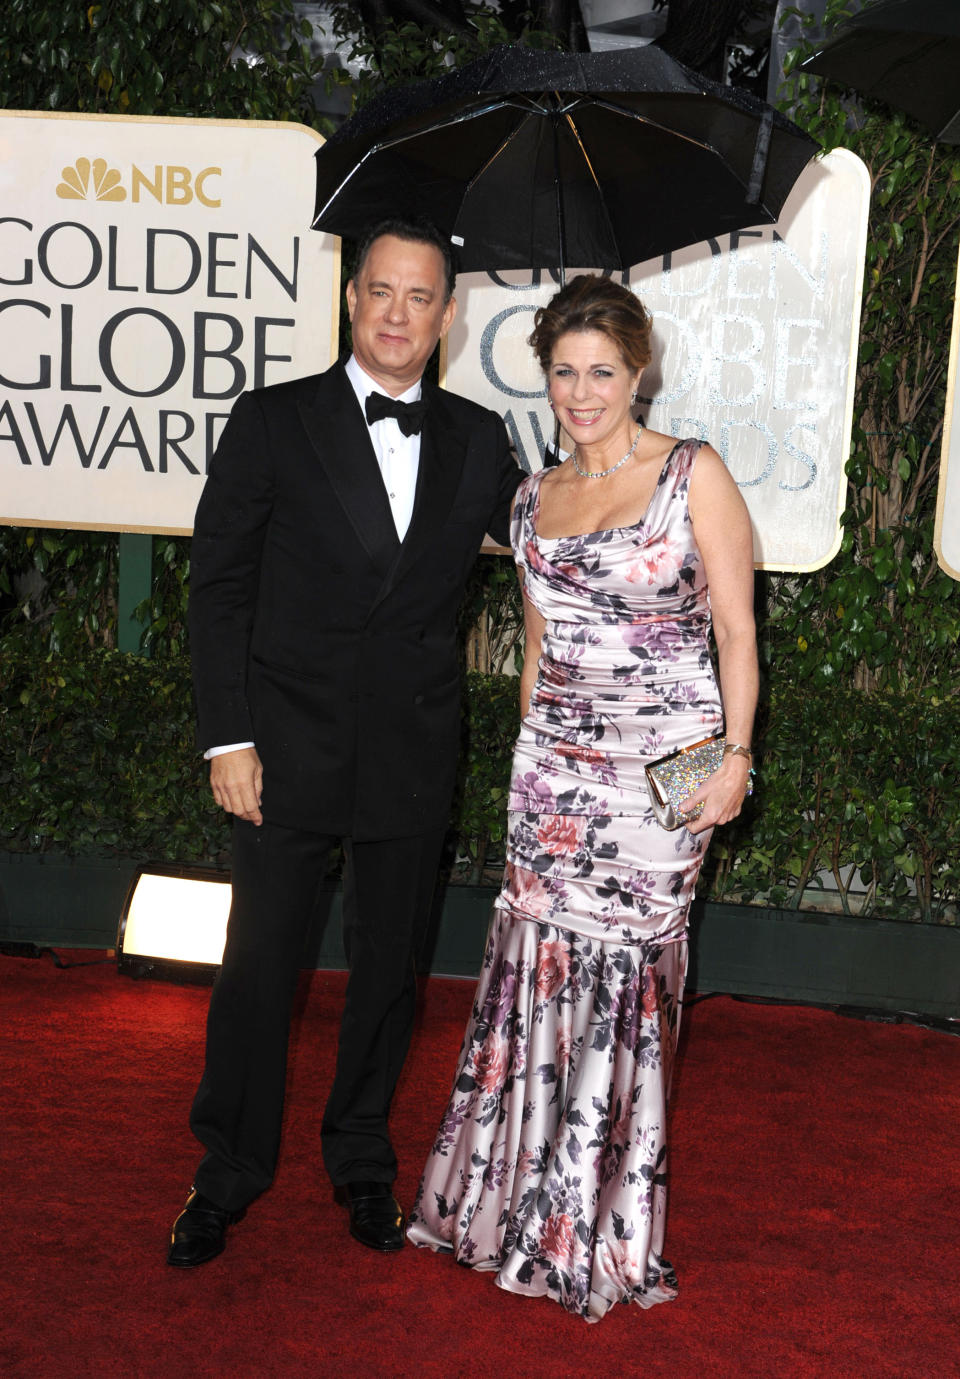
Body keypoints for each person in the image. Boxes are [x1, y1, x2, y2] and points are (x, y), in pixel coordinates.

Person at [167, 218, 521, 1267]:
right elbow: (218, 586)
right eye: (381, 292)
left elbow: (548, 535)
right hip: (280, 744)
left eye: (421, 297)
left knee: (389, 974)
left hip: (413, 748)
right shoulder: (275, 420)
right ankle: (227, 1168)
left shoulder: (480, 436)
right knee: (259, 968)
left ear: (449, 314)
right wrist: (226, 736)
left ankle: (362, 1153)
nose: (398, 314)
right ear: (350, 298)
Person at [407, 274, 758, 1321]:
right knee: (536, 972)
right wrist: (530, 761)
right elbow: (542, 644)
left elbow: (737, 629)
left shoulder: (694, 473)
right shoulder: (531, 499)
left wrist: (734, 757)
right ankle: (514, 1200)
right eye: (564, 371)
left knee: (631, 978)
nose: (583, 390)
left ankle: (595, 1224)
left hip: (669, 768)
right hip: (554, 770)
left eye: (602, 370)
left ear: (639, 372)